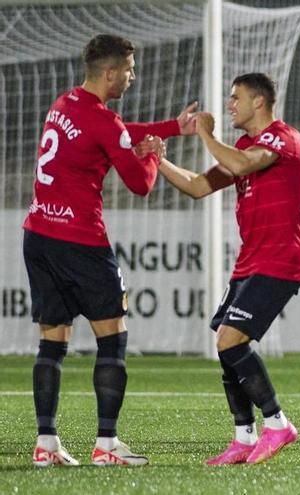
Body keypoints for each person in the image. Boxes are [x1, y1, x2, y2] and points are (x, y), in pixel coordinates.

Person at [24, 34, 198, 467]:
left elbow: (118, 133)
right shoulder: (104, 122)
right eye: (129, 69)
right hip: (80, 243)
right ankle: (106, 444)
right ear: (110, 72)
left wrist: (172, 127)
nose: (132, 76)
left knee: (53, 341)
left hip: (38, 234)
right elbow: (141, 184)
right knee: (113, 339)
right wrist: (156, 154)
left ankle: (46, 443)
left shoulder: (65, 103)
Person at [157, 73, 300, 463]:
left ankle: (277, 424)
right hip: (251, 261)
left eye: (234, 97)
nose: (229, 105)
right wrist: (157, 160)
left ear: (258, 102)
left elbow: (242, 164)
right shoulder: (243, 146)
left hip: (281, 260)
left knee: (229, 340)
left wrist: (205, 134)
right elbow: (196, 186)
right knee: (224, 344)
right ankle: (244, 435)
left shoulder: (283, 138)